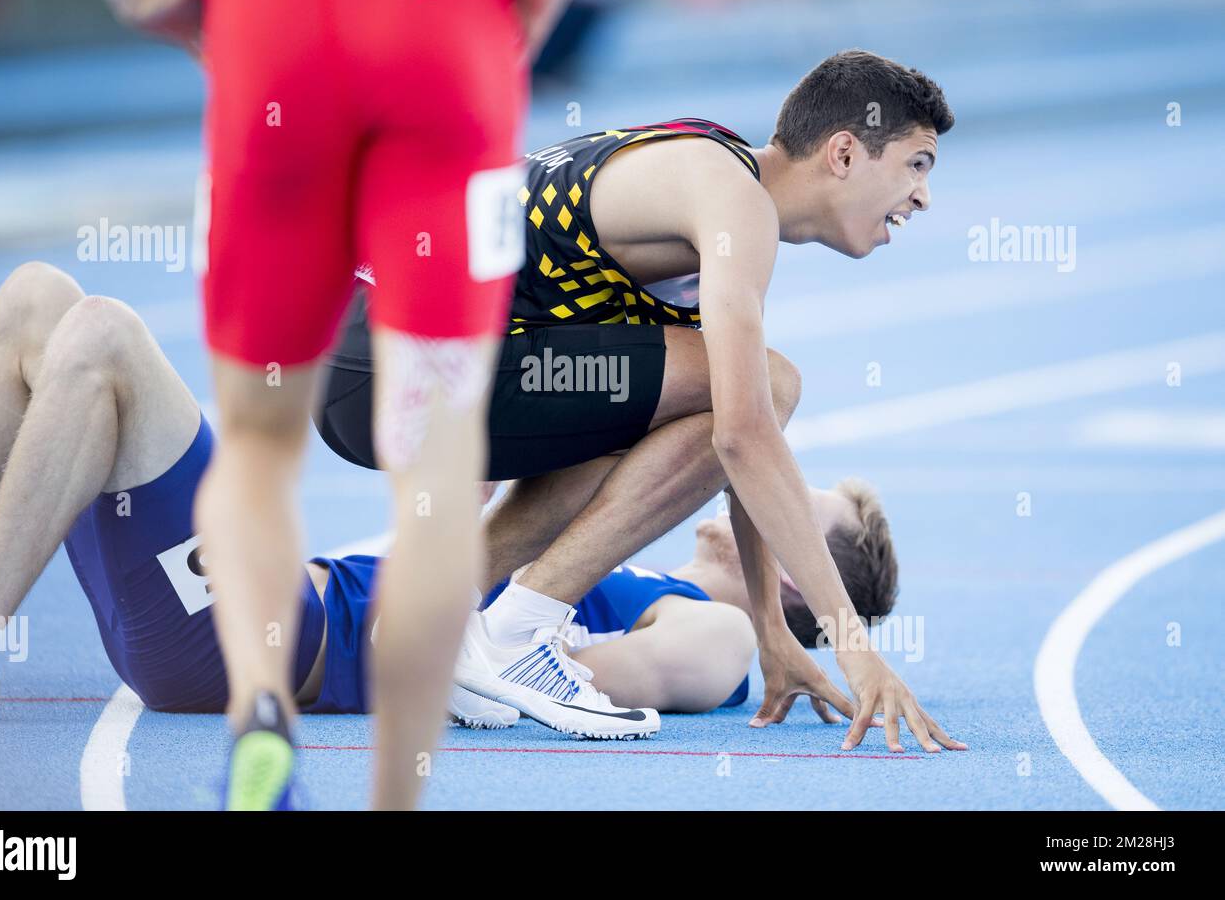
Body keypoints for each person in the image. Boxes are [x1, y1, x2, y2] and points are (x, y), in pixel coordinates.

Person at [317, 49, 967, 753]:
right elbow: (746, 432)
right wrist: (854, 647)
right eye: (917, 166)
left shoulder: (711, 192)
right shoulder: (732, 203)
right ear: (844, 152)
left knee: (721, 393)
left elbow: (732, 436)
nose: (922, 198)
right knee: (769, 385)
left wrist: (775, 634)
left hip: (375, 359)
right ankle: (515, 632)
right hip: (392, 357)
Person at [0, 264, 894, 734]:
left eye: (796, 508)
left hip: (264, 638)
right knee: (36, 305)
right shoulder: (628, 559)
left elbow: (521, 674)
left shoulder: (716, 637)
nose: (763, 493)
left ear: (808, 589)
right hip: (250, 596)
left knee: (100, 332)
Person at [73, 0, 591, 808]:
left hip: (271, 18)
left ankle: (263, 713)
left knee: (257, 448)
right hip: (442, 17)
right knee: (437, 470)